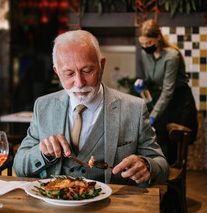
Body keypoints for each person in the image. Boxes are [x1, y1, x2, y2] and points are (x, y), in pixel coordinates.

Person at [13, 30, 169, 186]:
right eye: (69, 74)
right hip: (54, 205)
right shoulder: (43, 106)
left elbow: (162, 166)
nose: (79, 83)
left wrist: (147, 165)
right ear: (57, 71)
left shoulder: (135, 108)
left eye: (87, 71)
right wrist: (43, 154)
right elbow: (19, 166)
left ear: (102, 65)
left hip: (112, 206)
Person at [136, 19, 198, 164]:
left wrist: (153, 115)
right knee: (161, 143)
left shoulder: (172, 56)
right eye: (142, 44)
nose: (145, 47)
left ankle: (175, 185)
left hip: (180, 102)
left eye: (149, 43)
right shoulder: (146, 54)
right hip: (164, 102)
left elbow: (168, 90)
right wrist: (144, 84)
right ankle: (163, 183)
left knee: (175, 149)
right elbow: (152, 78)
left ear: (158, 37)